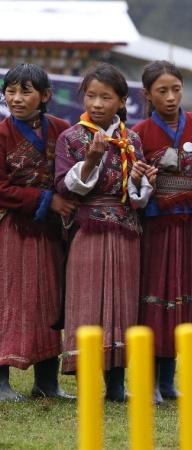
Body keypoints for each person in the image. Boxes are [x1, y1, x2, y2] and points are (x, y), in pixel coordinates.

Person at [55, 63, 156, 401]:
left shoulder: (132, 140)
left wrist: (142, 180)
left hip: (126, 231)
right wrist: (90, 160)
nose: (97, 104)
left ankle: (115, 385)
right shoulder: (71, 138)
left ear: (122, 101)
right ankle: (87, 384)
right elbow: (65, 187)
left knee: (122, 305)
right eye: (91, 96)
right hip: (88, 229)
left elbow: (136, 198)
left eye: (106, 97)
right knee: (87, 303)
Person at [133, 60, 192, 403]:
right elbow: (131, 186)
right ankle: (149, 381)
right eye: (162, 91)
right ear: (147, 94)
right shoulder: (138, 133)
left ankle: (168, 381)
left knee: (183, 302)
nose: (170, 97)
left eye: (176, 89)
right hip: (155, 229)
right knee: (153, 304)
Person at [0, 63, 74, 401]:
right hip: (13, 230)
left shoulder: (62, 130)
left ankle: (46, 382)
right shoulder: (2, 134)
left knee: (50, 301)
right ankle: (1, 382)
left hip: (52, 234)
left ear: (45, 96)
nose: (16, 99)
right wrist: (47, 199)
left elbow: (72, 173)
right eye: (10, 91)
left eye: (25, 91)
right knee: (8, 300)